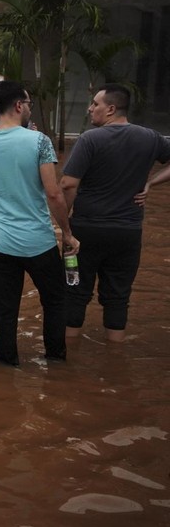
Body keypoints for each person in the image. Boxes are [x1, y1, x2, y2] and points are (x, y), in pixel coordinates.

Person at [0, 80, 78, 366]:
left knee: (5, 308)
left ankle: (7, 365)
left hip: (0, 242)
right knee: (54, 301)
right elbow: (54, 193)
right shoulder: (39, 141)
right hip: (38, 242)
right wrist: (67, 233)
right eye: (28, 103)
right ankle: (55, 362)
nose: (30, 107)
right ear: (19, 105)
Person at [60, 84, 170, 342]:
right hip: (128, 233)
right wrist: (151, 182)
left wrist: (65, 230)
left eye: (95, 104)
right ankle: (115, 358)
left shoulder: (89, 139)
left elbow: (67, 184)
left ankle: (65, 359)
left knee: (74, 289)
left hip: (84, 234)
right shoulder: (151, 138)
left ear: (110, 109)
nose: (90, 109)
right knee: (118, 297)